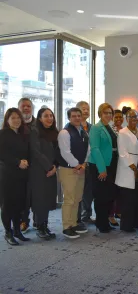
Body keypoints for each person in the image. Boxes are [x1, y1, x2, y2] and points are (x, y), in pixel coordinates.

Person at [57, 107, 90, 239]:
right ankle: (66, 227)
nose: (77, 118)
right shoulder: (64, 133)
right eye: (74, 116)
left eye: (79, 115)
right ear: (69, 118)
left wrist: (84, 164)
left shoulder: (83, 132)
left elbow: (89, 149)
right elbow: (65, 152)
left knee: (77, 198)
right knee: (69, 199)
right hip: (69, 170)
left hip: (80, 169)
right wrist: (77, 165)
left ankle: (74, 223)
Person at [0, 108, 30, 245]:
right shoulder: (3, 134)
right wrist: (18, 162)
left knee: (19, 204)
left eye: (18, 118)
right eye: (13, 118)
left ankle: (17, 231)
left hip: (22, 175)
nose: (16, 120)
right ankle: (8, 233)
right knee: (8, 205)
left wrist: (25, 161)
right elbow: (3, 154)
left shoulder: (22, 134)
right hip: (7, 175)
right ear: (7, 120)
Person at [88, 103, 118, 233]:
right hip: (100, 166)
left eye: (110, 113)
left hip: (111, 164)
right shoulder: (96, 128)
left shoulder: (110, 127)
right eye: (105, 113)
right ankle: (101, 223)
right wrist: (102, 169)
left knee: (109, 195)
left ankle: (105, 220)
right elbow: (95, 149)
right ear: (100, 114)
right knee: (101, 196)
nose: (108, 115)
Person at [30, 108, 59, 240]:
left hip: (51, 170)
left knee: (47, 198)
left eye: (51, 116)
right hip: (39, 171)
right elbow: (36, 152)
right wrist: (48, 167)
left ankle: (44, 225)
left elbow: (59, 152)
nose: (49, 118)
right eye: (46, 116)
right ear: (39, 118)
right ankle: (40, 226)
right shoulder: (35, 131)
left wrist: (55, 167)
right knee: (40, 199)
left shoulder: (55, 132)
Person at [115, 108, 138, 232]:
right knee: (126, 199)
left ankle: (135, 223)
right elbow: (123, 153)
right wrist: (133, 168)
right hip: (127, 169)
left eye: (136, 117)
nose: (134, 119)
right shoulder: (123, 132)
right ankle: (126, 226)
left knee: (134, 199)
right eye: (131, 117)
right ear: (126, 119)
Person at [18, 98, 36, 233]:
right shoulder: (13, 125)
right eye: (23, 106)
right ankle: (23, 221)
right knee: (22, 197)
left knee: (37, 196)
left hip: (37, 167)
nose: (26, 108)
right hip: (20, 168)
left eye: (28, 106)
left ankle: (39, 221)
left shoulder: (39, 124)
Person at [76, 101, 94, 224]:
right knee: (78, 192)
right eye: (83, 109)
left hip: (91, 164)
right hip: (78, 164)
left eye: (88, 109)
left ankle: (87, 214)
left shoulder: (92, 127)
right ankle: (77, 218)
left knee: (89, 191)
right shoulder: (74, 127)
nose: (86, 111)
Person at [109, 109, 124, 227]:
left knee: (120, 189)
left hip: (123, 163)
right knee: (112, 190)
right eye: (116, 117)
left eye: (120, 117)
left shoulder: (125, 130)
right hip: (113, 161)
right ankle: (111, 215)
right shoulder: (110, 130)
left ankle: (119, 211)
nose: (118, 119)